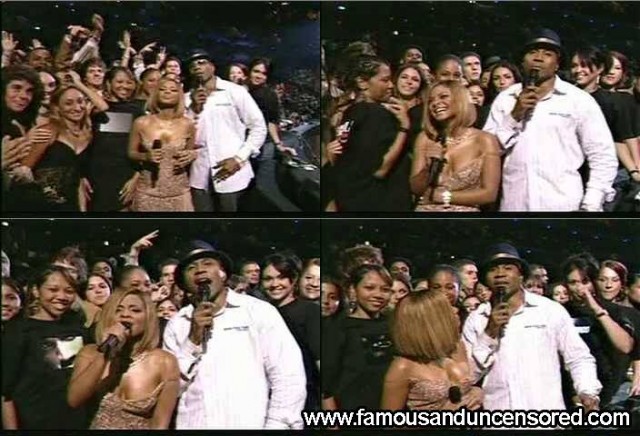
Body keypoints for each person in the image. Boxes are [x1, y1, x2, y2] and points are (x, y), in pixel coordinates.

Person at [162, 240, 306, 429]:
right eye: (191, 267)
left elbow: (289, 378)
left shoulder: (258, 312)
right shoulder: (177, 324)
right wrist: (192, 339)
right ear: (184, 283)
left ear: (223, 273)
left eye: (207, 263)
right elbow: (169, 390)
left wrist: (277, 425)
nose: (200, 270)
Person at [483, 28, 618, 211]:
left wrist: (591, 204)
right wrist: (514, 115)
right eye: (532, 52)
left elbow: (602, 154)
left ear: (557, 64)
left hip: (564, 206)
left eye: (547, 54)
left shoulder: (578, 100)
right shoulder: (506, 99)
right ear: (522, 61)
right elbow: (486, 152)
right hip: (515, 206)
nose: (538, 58)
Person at [462, 243, 602, 411]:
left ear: (521, 274)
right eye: (493, 269)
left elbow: (578, 357)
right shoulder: (476, 319)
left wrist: (587, 391)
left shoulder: (549, 310)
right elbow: (468, 375)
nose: (500, 274)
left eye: (508, 268)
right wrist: (489, 332)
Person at [67, 288, 180, 429]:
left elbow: (160, 424)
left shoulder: (165, 362)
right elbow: (74, 400)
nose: (125, 315)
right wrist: (104, 353)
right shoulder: (89, 354)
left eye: (135, 310)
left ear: (148, 318)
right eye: (118, 310)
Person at [2, 266, 89, 429]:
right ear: (36, 291)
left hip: (76, 423)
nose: (61, 296)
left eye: (69, 291)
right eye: (53, 289)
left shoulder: (79, 330)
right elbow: (6, 393)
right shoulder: (18, 331)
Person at [324, 55, 412, 211]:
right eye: (385, 80)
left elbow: (342, 159)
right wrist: (404, 128)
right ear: (362, 82)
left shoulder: (349, 113)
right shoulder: (376, 115)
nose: (391, 85)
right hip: (376, 204)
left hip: (348, 200)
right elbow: (380, 170)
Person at [186, 49, 267, 212]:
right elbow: (182, 132)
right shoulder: (186, 98)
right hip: (198, 174)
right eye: (192, 65)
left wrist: (239, 159)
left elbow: (258, 127)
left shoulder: (234, 91)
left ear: (213, 66)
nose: (197, 67)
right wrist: (193, 108)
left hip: (232, 173)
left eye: (202, 62)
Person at [381, 291, 483, 413]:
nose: (455, 310)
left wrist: (477, 392)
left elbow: (467, 388)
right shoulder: (403, 366)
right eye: (446, 309)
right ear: (429, 322)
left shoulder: (457, 347)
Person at [561, 254, 640, 408]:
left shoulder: (617, 311)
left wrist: (597, 310)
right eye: (573, 282)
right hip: (569, 394)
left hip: (610, 394)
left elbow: (626, 347)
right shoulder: (559, 312)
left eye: (585, 282)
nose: (580, 288)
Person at [411, 80, 501, 211]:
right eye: (430, 101)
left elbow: (489, 194)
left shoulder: (485, 140)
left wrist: (443, 196)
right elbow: (415, 189)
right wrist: (428, 167)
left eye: (443, 97)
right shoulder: (425, 138)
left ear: (460, 100)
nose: (435, 103)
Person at [322, 264, 394, 411]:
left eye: (385, 289)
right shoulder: (338, 328)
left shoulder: (393, 325)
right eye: (369, 288)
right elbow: (326, 386)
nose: (378, 295)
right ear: (353, 290)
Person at [262, 253, 321, 411]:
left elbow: (319, 358)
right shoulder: (261, 312)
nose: (274, 284)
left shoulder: (309, 311)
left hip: (305, 398)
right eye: (268, 279)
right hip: (270, 396)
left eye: (281, 277)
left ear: (293, 279)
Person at [128, 75, 196, 211]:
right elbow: (131, 152)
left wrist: (191, 156)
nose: (167, 92)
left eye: (173, 90)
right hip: (148, 191)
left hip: (178, 192)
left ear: (179, 96)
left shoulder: (188, 124)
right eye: (162, 89)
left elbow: (189, 152)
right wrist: (146, 156)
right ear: (156, 93)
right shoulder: (141, 122)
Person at [88, 66, 145, 211]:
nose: (125, 86)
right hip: (96, 177)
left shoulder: (137, 111)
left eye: (129, 82)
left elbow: (143, 149)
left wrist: (136, 178)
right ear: (108, 83)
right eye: (119, 82)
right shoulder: (95, 109)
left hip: (125, 177)